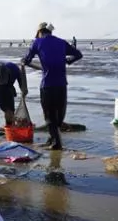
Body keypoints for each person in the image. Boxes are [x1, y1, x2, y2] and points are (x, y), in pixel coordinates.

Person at [22, 22, 83, 150]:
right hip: (62, 85)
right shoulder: (61, 42)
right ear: (50, 32)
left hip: (47, 85)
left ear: (39, 32)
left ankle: (56, 144)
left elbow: (27, 60)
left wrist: (23, 61)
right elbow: (78, 54)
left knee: (49, 117)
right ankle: (52, 138)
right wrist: (68, 60)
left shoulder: (37, 42)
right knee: (58, 116)